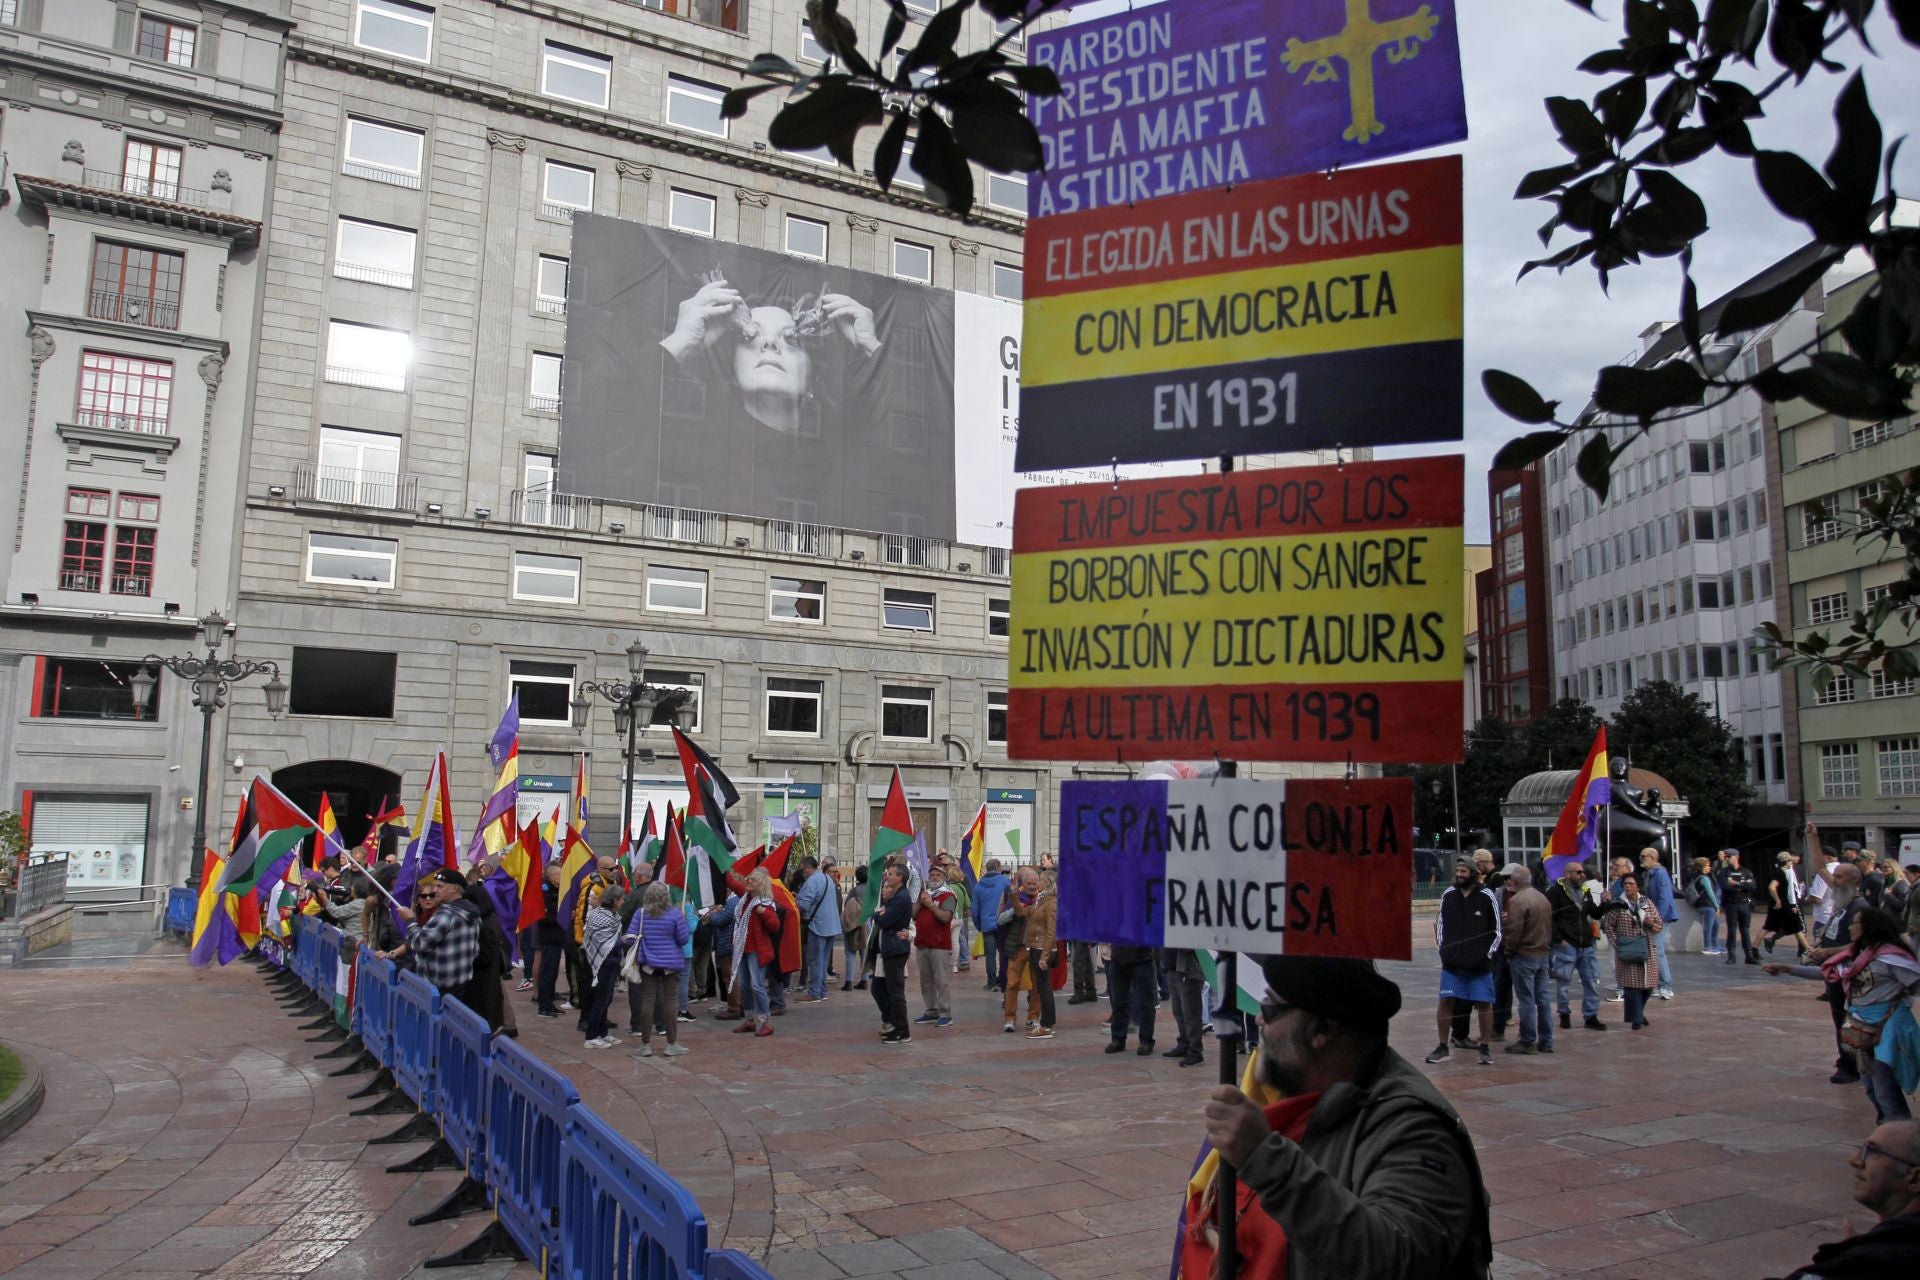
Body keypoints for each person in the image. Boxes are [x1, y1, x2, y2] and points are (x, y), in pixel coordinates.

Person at [1195, 955, 1492, 1280]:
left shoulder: (1413, 1127)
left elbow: (1396, 1257)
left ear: (1321, 1030)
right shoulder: (1310, 1101)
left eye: (1271, 1008)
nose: (1259, 1021)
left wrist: (1267, 1160)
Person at [659, 273, 880, 435]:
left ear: (815, 377)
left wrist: (869, 343)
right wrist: (684, 337)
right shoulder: (691, 437)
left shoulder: (845, 447)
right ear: (731, 369)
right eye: (750, 336)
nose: (770, 344)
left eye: (792, 339)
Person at [1765, 906, 1920, 1121]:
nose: (1850, 927)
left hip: (1888, 1028)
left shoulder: (1892, 958)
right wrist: (1789, 969)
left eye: (1855, 923)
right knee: (1870, 1086)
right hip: (1862, 1028)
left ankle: (1896, 1134)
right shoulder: (1861, 955)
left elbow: (1915, 982)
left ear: (1869, 926)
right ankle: (1891, 1130)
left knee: (1884, 1085)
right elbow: (1829, 973)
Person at [1778, 1119, 1920, 1278]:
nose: (1854, 1160)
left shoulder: (1875, 1262)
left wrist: (1854, 1261)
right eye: (1862, 1148)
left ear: (1914, 1178)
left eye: (1872, 1151)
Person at [1428, 859, 1501, 1067]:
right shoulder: (1449, 895)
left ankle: (1485, 1047)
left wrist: (1487, 954)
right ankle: (1442, 1045)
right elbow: (1440, 924)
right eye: (1457, 870)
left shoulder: (1487, 896)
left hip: (1480, 965)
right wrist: (1444, 951)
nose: (1459, 874)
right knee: (1446, 1002)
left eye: (1463, 871)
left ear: (1474, 873)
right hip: (1452, 964)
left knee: (1484, 1003)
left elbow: (1496, 930)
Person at [384, 869, 481, 996]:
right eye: (435, 886)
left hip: (437, 988)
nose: (435, 890)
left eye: (439, 886)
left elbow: (419, 943)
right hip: (459, 983)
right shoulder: (472, 911)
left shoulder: (447, 913)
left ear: (454, 889)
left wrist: (410, 920)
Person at [625, 882, 690, 1058]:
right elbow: (683, 939)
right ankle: (671, 1044)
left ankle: (645, 1045)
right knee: (670, 1000)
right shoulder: (675, 914)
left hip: (648, 962)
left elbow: (631, 939)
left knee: (648, 999)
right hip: (671, 962)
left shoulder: (641, 914)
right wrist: (682, 921)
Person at [1500, 865, 1553, 1056]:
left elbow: (1514, 931)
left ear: (1515, 881)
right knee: (1543, 999)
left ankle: (1528, 1040)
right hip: (1542, 953)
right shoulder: (1542, 897)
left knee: (1526, 1000)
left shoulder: (1517, 900)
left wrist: (1509, 950)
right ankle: (1546, 1040)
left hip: (1524, 955)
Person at [1546, 861, 1606, 1032]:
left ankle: (1591, 1015)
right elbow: (1549, 917)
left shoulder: (1584, 891)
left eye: (1583, 873)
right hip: (1567, 943)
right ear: (1568, 874)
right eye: (1578, 873)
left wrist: (1603, 902)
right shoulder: (1556, 892)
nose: (1582, 875)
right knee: (1564, 981)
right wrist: (1559, 939)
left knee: (1591, 980)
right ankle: (1564, 1013)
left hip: (1585, 943)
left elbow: (1594, 913)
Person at [1599, 872, 1663, 1031]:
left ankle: (1639, 1012)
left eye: (1631, 884)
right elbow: (1608, 926)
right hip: (1627, 948)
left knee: (1649, 984)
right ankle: (1636, 1019)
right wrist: (1618, 945)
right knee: (1632, 985)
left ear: (1638, 886)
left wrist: (1650, 924)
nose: (1628, 886)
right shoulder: (1617, 905)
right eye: (1625, 883)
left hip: (1646, 947)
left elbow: (1658, 925)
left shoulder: (1646, 903)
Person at [731, 868, 781, 1038]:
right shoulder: (745, 899)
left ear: (761, 884)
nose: (749, 881)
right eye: (749, 878)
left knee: (756, 985)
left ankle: (766, 1021)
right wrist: (718, 863)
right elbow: (732, 883)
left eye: (753, 880)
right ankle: (750, 1019)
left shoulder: (765, 904)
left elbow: (775, 926)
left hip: (757, 950)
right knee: (744, 985)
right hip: (743, 948)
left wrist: (764, 913)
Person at [870, 864, 914, 1043]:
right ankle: (895, 1024)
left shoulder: (901, 898)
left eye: (891, 874)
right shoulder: (896, 896)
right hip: (890, 947)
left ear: (900, 878)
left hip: (895, 949)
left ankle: (902, 1031)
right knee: (883, 988)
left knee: (896, 992)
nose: (887, 876)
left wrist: (878, 916)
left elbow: (885, 920)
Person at [910, 863, 957, 1028]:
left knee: (941, 980)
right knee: (926, 980)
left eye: (938, 875)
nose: (934, 878)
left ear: (944, 878)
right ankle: (931, 1010)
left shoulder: (948, 895)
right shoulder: (924, 894)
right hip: (923, 942)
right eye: (932, 875)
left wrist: (931, 905)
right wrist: (920, 903)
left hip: (939, 944)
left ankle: (945, 1012)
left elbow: (945, 918)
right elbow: (913, 915)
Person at [580, 883, 625, 1049]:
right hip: (600, 964)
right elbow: (607, 942)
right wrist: (624, 941)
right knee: (600, 999)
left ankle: (603, 1032)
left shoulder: (609, 914)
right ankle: (591, 1036)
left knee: (606, 999)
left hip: (609, 963)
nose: (623, 902)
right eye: (621, 899)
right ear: (614, 900)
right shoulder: (600, 916)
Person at [793, 857, 841, 1003]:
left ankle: (814, 992)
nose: (802, 873)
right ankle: (822, 990)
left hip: (818, 925)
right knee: (823, 960)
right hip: (831, 924)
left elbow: (804, 905)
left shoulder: (812, 881)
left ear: (808, 868)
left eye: (803, 869)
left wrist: (796, 900)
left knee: (815, 960)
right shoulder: (826, 878)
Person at [1019, 868, 1060, 1040]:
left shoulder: (1050, 902)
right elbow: (1026, 913)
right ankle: (1047, 1023)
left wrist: (1045, 955)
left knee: (1044, 987)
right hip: (1035, 945)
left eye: (1041, 880)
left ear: (1048, 883)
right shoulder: (1041, 899)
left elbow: (1052, 930)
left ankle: (1047, 1026)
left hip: (1043, 948)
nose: (1038, 883)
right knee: (1042, 987)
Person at [1636, 848, 1678, 1000]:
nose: (1641, 858)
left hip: (1661, 917)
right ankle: (1657, 984)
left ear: (1653, 858)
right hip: (1651, 917)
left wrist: (1657, 917)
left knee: (1656, 950)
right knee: (1652, 950)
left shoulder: (1659, 873)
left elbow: (1664, 897)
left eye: (1643, 856)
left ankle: (1666, 986)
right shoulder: (1647, 874)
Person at [1106, 942, 1157, 1056]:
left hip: (1142, 958)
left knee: (1145, 1002)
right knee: (1119, 1002)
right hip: (1118, 957)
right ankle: (1118, 1039)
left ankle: (1146, 1040)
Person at [1162, 948, 1208, 1068]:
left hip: (1189, 969)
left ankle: (1195, 1050)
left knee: (1190, 1012)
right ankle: (1184, 1043)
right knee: (1178, 1011)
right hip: (1173, 967)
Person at [1716, 848, 1761, 964]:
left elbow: (1752, 886)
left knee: (1745, 930)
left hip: (1744, 903)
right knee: (1731, 929)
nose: (1726, 859)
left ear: (1736, 857)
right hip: (1731, 904)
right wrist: (1742, 885)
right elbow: (1725, 886)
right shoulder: (1724, 872)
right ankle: (1731, 955)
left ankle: (1749, 955)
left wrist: (1737, 883)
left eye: (1728, 857)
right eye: (1725, 857)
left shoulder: (1746, 871)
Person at [1763, 850, 1811, 957]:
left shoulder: (1790, 869)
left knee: (1791, 926)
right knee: (1799, 927)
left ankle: (1772, 939)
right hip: (1792, 902)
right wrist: (1793, 904)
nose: (1797, 859)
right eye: (1795, 856)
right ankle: (1805, 950)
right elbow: (1789, 889)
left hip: (1792, 901)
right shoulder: (1787, 870)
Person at [533, 863, 566, 1019]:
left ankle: (550, 1002)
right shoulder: (545, 893)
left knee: (552, 973)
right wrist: (563, 917)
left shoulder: (555, 891)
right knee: (547, 972)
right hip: (549, 937)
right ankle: (544, 1006)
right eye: (560, 875)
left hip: (556, 936)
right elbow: (544, 917)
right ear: (554, 877)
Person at [1687, 856, 1723, 955]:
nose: (1709, 867)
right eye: (1707, 865)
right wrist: (1717, 906)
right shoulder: (1704, 878)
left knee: (1715, 925)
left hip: (1701, 904)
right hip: (1708, 905)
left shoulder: (1695, 876)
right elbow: (1710, 893)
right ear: (1702, 867)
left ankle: (1715, 945)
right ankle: (1707, 946)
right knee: (1709, 926)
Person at [840, 865, 868, 991]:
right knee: (864, 953)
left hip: (853, 924)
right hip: (868, 924)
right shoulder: (874, 890)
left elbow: (847, 906)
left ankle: (849, 981)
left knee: (850, 953)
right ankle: (864, 980)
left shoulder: (854, 890)